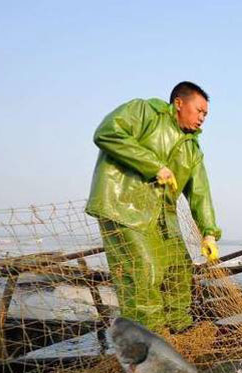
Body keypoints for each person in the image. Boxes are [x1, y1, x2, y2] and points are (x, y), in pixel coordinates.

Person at [85, 81, 221, 333]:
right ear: (179, 103)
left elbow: (200, 192)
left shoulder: (192, 147)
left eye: (206, 114)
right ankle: (151, 338)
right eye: (199, 110)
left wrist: (209, 233)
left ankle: (180, 330)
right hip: (123, 206)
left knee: (179, 269)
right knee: (143, 272)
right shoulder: (145, 112)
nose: (202, 118)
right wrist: (154, 166)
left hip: (161, 218)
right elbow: (105, 132)